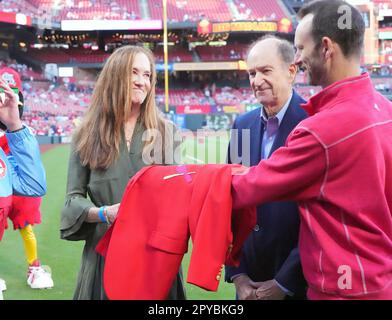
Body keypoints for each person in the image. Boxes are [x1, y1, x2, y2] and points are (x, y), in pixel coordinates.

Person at [231, 0, 392, 300]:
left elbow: (243, 187)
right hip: (376, 282)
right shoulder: (385, 111)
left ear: (326, 48)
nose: (299, 57)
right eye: (251, 73)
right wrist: (238, 274)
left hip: (330, 288)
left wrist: (178, 186)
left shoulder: (320, 128)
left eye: (301, 48)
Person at [60, 45, 185, 300]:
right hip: (106, 256)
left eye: (148, 75)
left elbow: (178, 195)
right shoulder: (86, 134)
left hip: (156, 257)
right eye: (134, 73)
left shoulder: (166, 131)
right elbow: (72, 200)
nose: (142, 82)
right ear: (116, 76)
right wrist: (105, 213)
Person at [225, 36, 307, 300]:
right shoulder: (242, 125)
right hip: (247, 286)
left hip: (297, 286)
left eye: (265, 70)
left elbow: (320, 218)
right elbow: (228, 201)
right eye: (251, 73)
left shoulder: (315, 122)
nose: (256, 80)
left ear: (291, 71)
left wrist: (285, 283)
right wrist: (238, 274)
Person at [0, 74, 46, 294]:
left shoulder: (20, 129)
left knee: (27, 228)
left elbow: (35, 183)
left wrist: (14, 125)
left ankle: (34, 267)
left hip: (18, 189)